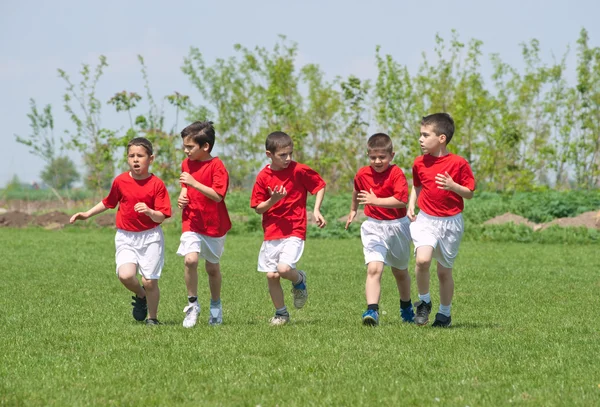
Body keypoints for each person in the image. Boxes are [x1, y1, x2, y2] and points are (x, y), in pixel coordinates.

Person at [70, 137, 172, 325]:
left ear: (151, 159)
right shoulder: (121, 181)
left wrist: (150, 212)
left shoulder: (157, 184)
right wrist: (87, 213)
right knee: (125, 275)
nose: (135, 159)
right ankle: (141, 296)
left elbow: (163, 216)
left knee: (150, 281)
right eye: (131, 155)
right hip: (125, 236)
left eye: (140, 156)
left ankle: (153, 318)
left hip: (150, 237)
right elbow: (108, 202)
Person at [250, 131, 327, 326]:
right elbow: (258, 208)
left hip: (295, 228)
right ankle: (281, 314)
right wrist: (273, 200)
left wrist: (316, 210)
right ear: (269, 154)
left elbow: (319, 185)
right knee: (272, 275)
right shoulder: (263, 177)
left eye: (290, 153)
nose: (288, 158)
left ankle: (299, 279)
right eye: (282, 155)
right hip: (272, 232)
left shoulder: (299, 170)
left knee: (283, 269)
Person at [408, 113, 476, 327]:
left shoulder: (459, 163)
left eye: (425, 135)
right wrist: (411, 204)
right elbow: (417, 185)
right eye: (420, 134)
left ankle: (444, 314)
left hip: (451, 223)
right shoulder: (419, 163)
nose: (420, 139)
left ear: (441, 138)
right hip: (426, 219)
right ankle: (424, 302)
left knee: (444, 271)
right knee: (422, 260)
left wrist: (453, 186)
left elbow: (470, 192)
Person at [345, 133, 414, 326]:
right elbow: (356, 190)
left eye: (382, 157)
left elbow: (401, 200)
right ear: (368, 156)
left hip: (398, 226)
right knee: (374, 268)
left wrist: (376, 200)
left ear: (392, 156)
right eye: (373, 157)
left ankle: (406, 307)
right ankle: (372, 310)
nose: (377, 161)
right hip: (373, 225)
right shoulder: (362, 174)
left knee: (400, 272)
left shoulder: (396, 174)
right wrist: (353, 210)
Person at [177, 121, 231, 328]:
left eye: (190, 147)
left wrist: (194, 184)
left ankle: (215, 306)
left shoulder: (217, 166)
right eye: (184, 146)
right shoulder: (186, 164)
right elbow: (185, 187)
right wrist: (183, 196)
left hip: (214, 225)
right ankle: (192, 305)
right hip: (192, 221)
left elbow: (218, 196)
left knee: (212, 268)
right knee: (190, 260)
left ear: (205, 146)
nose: (186, 150)